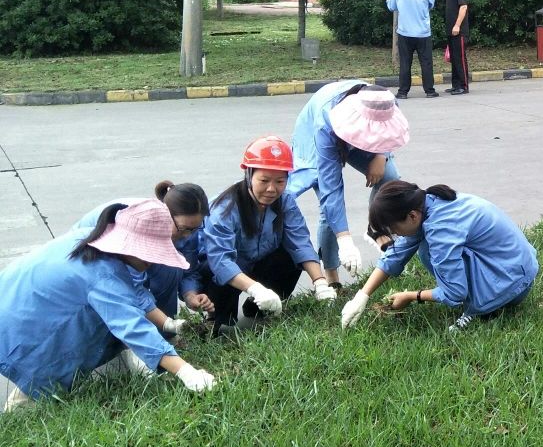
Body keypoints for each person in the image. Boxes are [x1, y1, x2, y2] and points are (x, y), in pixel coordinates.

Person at [0, 199, 218, 410]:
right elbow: (132, 327)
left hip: (12, 302)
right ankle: (20, 411)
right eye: (152, 254)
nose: (153, 261)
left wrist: (168, 323)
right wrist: (186, 372)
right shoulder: (103, 275)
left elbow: (133, 291)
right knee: (38, 385)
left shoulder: (91, 237)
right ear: (136, 246)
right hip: (23, 330)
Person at [340, 181, 539, 334]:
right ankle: (486, 297)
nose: (396, 235)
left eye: (394, 229)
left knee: (426, 250)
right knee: (423, 244)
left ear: (412, 216)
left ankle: (480, 308)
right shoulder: (429, 203)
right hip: (519, 269)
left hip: (513, 286)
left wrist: (411, 296)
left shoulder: (440, 229)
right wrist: (362, 296)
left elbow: (455, 292)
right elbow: (397, 254)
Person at [200, 136, 337, 331]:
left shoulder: (286, 201)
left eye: (280, 181)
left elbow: (300, 242)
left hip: (257, 262)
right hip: (222, 272)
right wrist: (256, 289)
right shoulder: (224, 209)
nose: (272, 189)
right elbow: (220, 261)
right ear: (249, 175)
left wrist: (320, 282)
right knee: (222, 322)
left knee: (291, 256)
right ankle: (214, 315)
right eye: (264, 180)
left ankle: (258, 307)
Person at [286, 81, 411, 285]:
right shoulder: (325, 123)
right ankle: (331, 275)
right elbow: (331, 190)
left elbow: (386, 132)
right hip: (318, 136)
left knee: (390, 177)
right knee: (328, 209)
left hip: (361, 129)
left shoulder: (385, 102)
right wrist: (344, 240)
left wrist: (381, 155)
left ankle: (376, 227)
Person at [69, 181, 213, 338]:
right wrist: (167, 323)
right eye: (184, 229)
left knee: (171, 269)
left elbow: (188, 268)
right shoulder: (139, 227)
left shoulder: (186, 229)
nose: (187, 235)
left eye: (194, 229)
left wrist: (190, 295)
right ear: (165, 214)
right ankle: (135, 334)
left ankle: (163, 335)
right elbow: (132, 287)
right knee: (121, 301)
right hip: (89, 256)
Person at [383, 0, 440, 100]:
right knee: (426, 63)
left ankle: (403, 92)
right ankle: (429, 91)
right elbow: (431, 5)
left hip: (405, 32)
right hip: (423, 33)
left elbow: (392, 7)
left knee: (405, 63)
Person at [441, 0, 470, 95]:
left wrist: (457, 25)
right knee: (454, 58)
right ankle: (456, 85)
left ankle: (463, 86)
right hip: (451, 31)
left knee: (460, 58)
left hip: (459, 31)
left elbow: (463, 7)